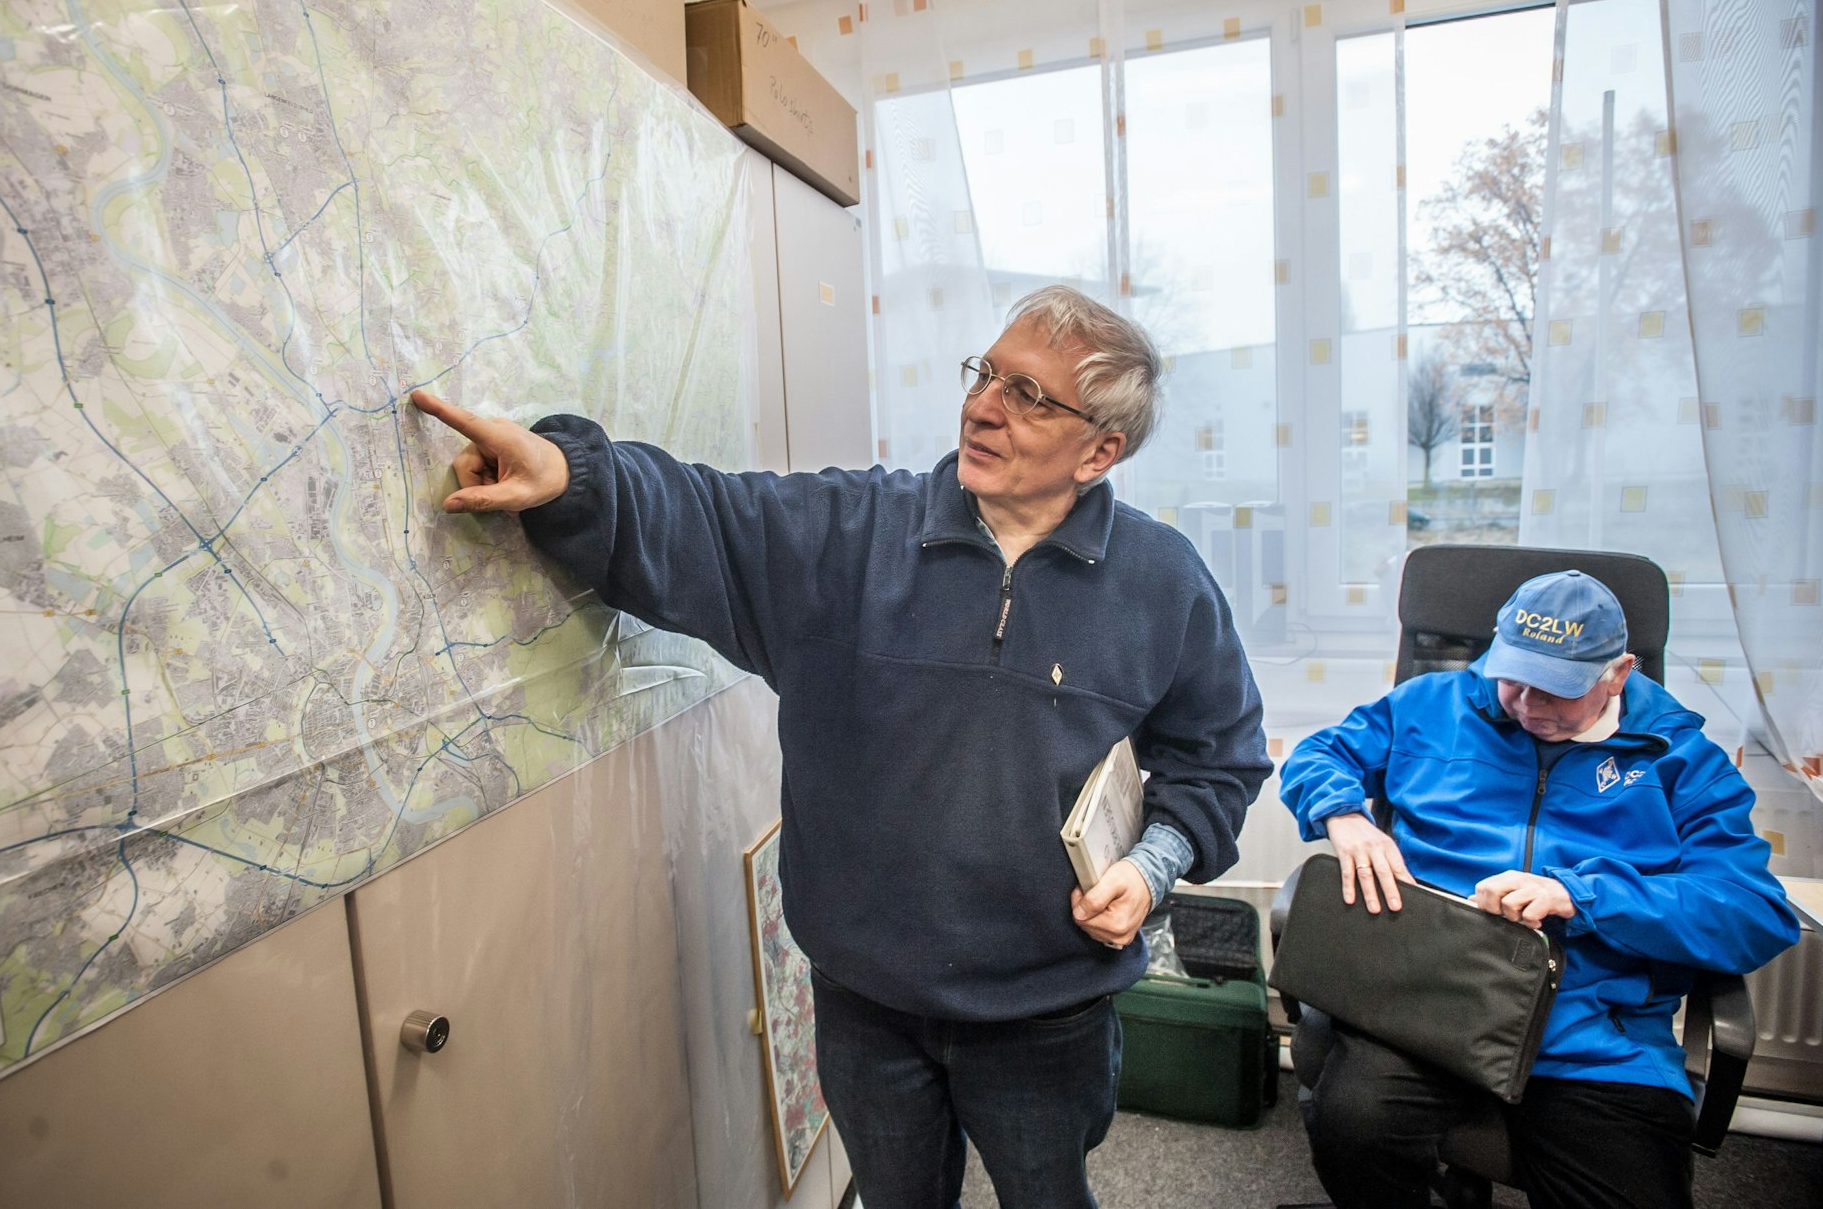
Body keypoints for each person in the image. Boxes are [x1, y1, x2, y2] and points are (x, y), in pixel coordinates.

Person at [411, 285, 1271, 1209]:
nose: (983, 405)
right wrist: (573, 474)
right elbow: (705, 515)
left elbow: (1219, 757)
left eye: (1030, 396)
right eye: (986, 374)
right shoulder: (853, 533)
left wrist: (1152, 864)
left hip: (1046, 1009)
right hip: (867, 1002)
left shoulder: (1164, 580)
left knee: (1049, 1196)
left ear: (1100, 451)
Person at [1279, 569, 1800, 1209]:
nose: (1527, 703)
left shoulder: (1680, 760)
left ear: (1619, 672)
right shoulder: (1432, 704)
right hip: (1428, 1004)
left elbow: (1751, 912)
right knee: (1353, 1129)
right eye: (1513, 677)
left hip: (1594, 1037)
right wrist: (1346, 817)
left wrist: (1582, 897)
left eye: (1556, 689)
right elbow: (1317, 754)